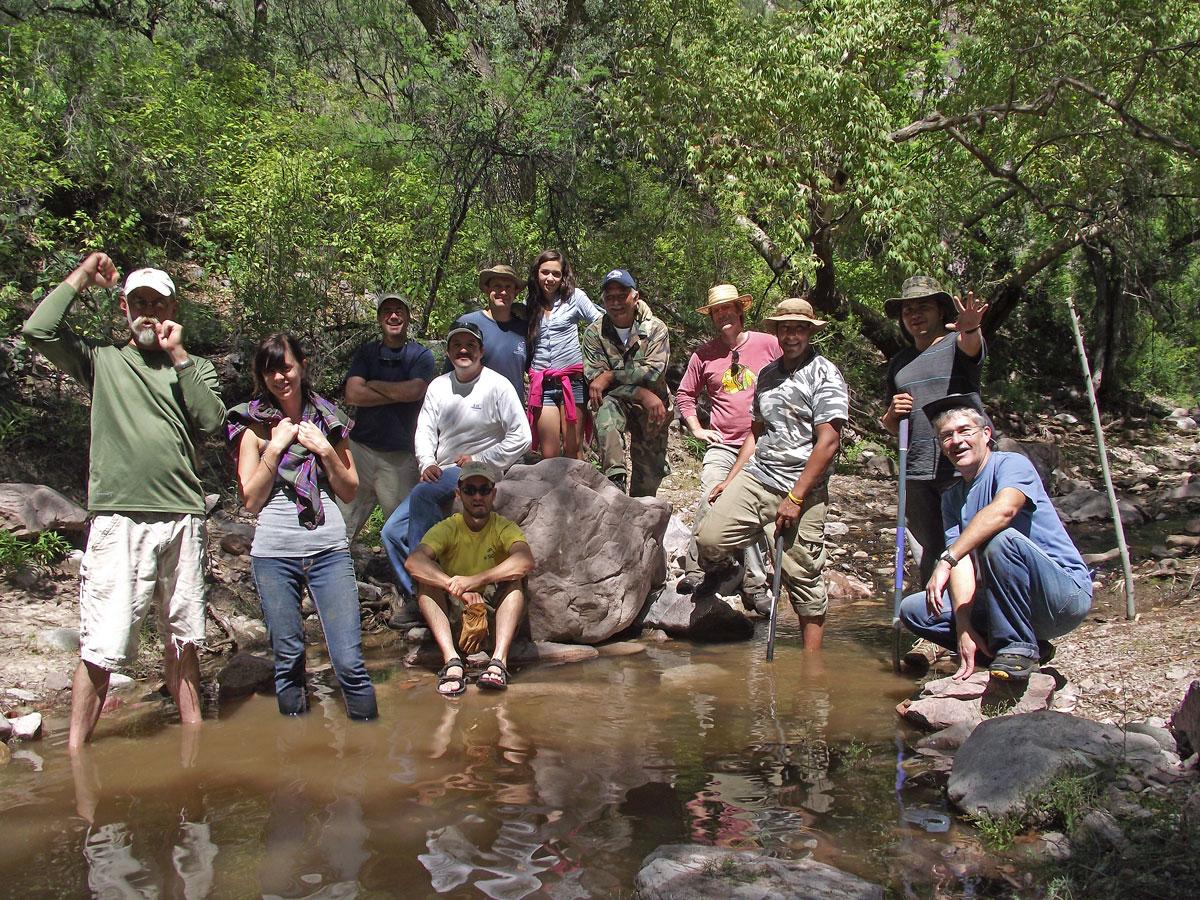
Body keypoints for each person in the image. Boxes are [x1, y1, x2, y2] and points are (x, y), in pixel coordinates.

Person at [21, 252, 225, 749]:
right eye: (139, 302)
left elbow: (213, 421)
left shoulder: (193, 367)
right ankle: (76, 753)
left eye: (157, 302)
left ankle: (193, 748)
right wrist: (82, 276)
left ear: (173, 307)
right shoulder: (102, 361)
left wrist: (179, 359)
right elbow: (38, 331)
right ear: (124, 308)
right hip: (117, 518)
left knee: (185, 637)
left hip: (181, 516)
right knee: (102, 643)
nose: (149, 311)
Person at [227, 333, 378, 720]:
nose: (280, 377)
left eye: (286, 367)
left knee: (349, 664)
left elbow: (349, 489)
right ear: (262, 376)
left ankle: (367, 753)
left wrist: (325, 450)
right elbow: (251, 499)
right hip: (274, 554)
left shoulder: (328, 418)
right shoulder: (252, 424)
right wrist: (275, 448)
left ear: (302, 365)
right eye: (270, 369)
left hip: (328, 549)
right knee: (289, 663)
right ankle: (295, 764)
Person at [898, 395, 1093, 681]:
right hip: (1006, 601)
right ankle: (1006, 648)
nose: (957, 441)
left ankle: (1017, 648)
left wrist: (945, 560)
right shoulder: (952, 497)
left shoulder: (1011, 465)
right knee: (914, 610)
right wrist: (964, 627)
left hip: (1061, 597)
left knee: (1000, 540)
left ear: (986, 434)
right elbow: (961, 561)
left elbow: (1005, 510)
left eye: (965, 431)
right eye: (946, 436)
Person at [696, 297, 848, 650]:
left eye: (798, 328)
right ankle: (742, 576)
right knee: (710, 538)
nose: (791, 335)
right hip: (759, 476)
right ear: (776, 332)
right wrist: (731, 479)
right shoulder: (767, 373)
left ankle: (812, 665)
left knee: (802, 575)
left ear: (809, 332)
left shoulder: (824, 372)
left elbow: (828, 441)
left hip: (802, 488)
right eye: (785, 328)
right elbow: (756, 432)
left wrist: (795, 499)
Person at [381, 319, 531, 599]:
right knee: (390, 532)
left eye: (470, 345)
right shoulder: (438, 386)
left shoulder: (498, 386)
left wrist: (480, 457)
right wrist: (426, 462)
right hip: (443, 469)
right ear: (449, 353)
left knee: (424, 495)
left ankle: (427, 590)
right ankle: (422, 592)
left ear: (481, 351)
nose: (464, 350)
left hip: (479, 472)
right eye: (457, 345)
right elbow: (424, 430)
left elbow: (522, 436)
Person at [675, 283, 781, 605]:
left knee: (745, 503)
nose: (723, 315)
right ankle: (698, 570)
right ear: (712, 316)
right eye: (717, 310)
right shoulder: (703, 355)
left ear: (740, 310)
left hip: (765, 442)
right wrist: (697, 428)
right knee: (712, 492)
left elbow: (794, 375)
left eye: (728, 308)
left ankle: (754, 585)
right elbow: (684, 395)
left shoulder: (769, 344)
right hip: (723, 444)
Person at [880, 275, 988, 584]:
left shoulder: (957, 343)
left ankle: (978, 623)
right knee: (927, 555)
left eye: (923, 307)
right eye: (907, 310)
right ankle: (940, 625)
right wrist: (891, 415)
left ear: (941, 310)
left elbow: (972, 345)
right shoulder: (899, 362)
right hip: (916, 472)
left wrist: (971, 327)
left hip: (962, 469)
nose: (915, 315)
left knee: (970, 550)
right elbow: (891, 425)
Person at [404, 461, 534, 696]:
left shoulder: (503, 527)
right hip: (456, 613)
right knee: (425, 580)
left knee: (516, 580)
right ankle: (452, 661)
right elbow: (414, 562)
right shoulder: (448, 528)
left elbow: (525, 560)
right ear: (458, 494)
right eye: (470, 490)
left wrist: (475, 580)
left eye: (484, 490)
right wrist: (454, 586)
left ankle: (498, 662)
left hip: (493, 616)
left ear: (493, 493)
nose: (477, 497)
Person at [338, 292, 436, 541]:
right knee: (342, 522)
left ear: (408, 317)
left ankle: (408, 577)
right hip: (361, 450)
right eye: (387, 311)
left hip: (400, 456)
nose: (393, 316)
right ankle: (329, 571)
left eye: (399, 311)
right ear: (380, 318)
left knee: (403, 529)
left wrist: (371, 385)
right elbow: (352, 394)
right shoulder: (367, 353)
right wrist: (398, 392)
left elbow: (415, 391)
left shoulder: (420, 356)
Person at [582, 268, 671, 496]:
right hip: (618, 401)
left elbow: (652, 372)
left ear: (635, 297)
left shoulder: (656, 329)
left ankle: (642, 511)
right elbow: (595, 382)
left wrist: (611, 376)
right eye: (609, 297)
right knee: (605, 406)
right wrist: (640, 392)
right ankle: (615, 481)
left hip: (654, 407)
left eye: (621, 296)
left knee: (648, 481)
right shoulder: (594, 333)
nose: (616, 303)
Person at [524, 249, 603, 459]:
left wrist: (594, 361)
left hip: (573, 381)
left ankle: (578, 491)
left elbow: (601, 324)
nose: (550, 278)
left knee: (573, 449)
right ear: (536, 274)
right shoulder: (529, 304)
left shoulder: (575, 298)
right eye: (545, 272)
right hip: (543, 384)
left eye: (556, 274)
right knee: (549, 453)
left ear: (563, 276)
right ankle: (553, 491)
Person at [454, 264, 528, 402]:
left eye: (508, 287)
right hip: (473, 410)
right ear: (487, 289)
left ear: (516, 292)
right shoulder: (467, 324)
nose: (503, 292)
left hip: (512, 412)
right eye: (497, 286)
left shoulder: (524, 328)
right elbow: (451, 372)